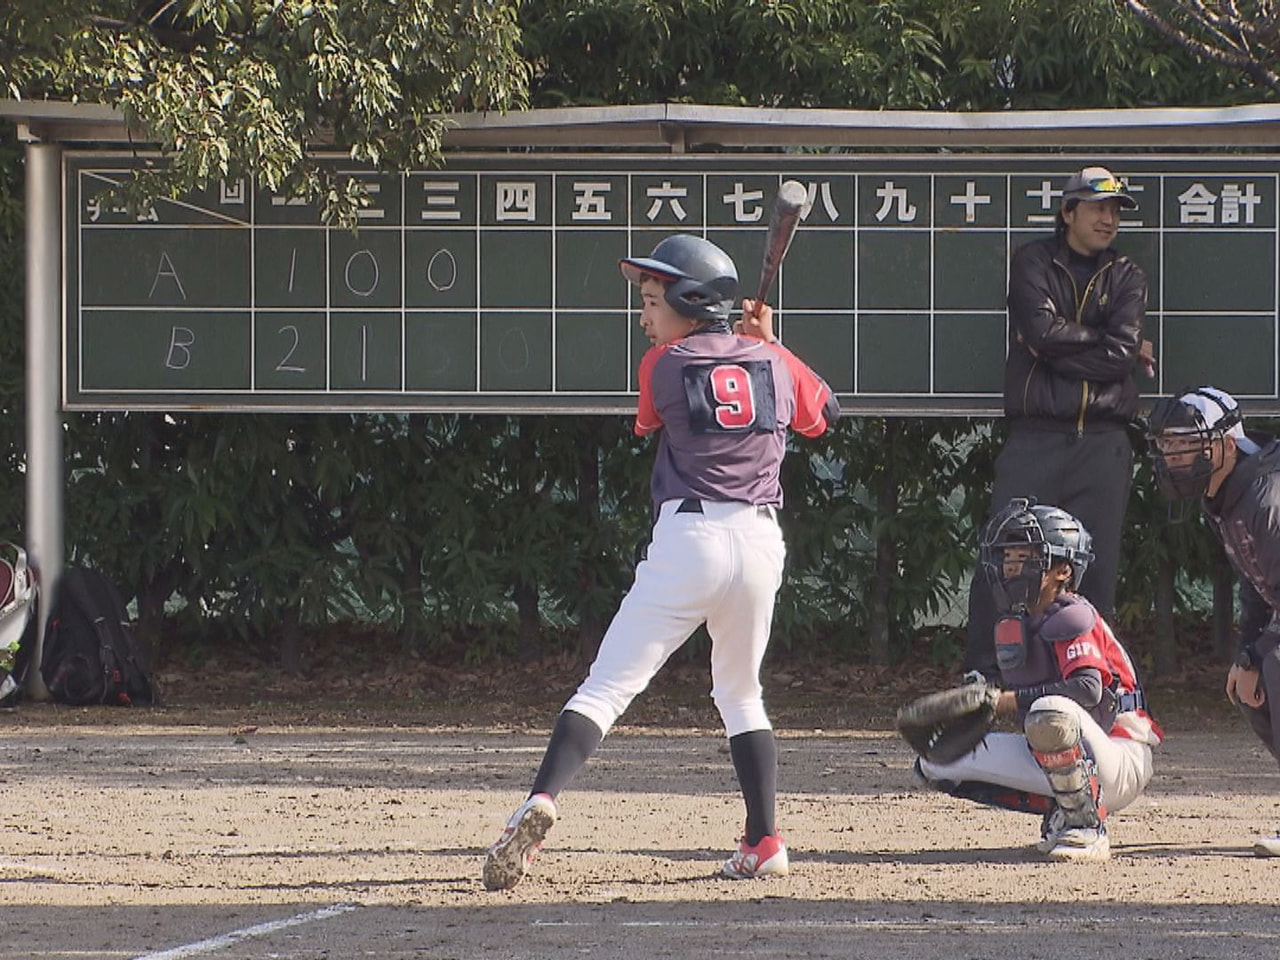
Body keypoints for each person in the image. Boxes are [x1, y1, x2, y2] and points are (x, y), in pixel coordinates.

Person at [482, 233, 840, 890]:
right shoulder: (771, 361)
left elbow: (649, 424)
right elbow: (824, 415)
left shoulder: (663, 366)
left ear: (691, 300)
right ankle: (764, 840)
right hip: (760, 546)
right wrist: (770, 344)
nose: (645, 317)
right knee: (740, 694)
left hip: (691, 539)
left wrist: (746, 346)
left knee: (607, 687)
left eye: (655, 302)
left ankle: (539, 802)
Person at [965, 166, 1155, 680]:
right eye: (1097, 208)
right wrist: (1108, 344)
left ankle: (1087, 679)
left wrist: (1083, 347)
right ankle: (985, 676)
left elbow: (1105, 353)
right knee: (1008, 555)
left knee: (1095, 567)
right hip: (1037, 437)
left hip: (1104, 442)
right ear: (1068, 212)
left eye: (1115, 210)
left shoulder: (1127, 275)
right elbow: (1043, 332)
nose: (1108, 219)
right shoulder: (1033, 261)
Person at [917, 498, 1161, 862]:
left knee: (1050, 711)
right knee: (935, 762)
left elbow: (1087, 690)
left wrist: (1007, 701)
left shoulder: (1073, 615)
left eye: (1025, 557)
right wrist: (977, 699)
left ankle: (1088, 825)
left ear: (1062, 570)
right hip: (1061, 751)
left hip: (1119, 755)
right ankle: (1063, 809)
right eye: (1007, 557)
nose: (1011, 567)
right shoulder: (1019, 622)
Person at [1145, 386, 1280, 856]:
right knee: (1248, 681)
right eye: (1169, 445)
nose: (1176, 457)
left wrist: (1262, 654)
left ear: (1225, 445)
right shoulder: (1225, 494)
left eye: (1188, 444)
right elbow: (1258, 582)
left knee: (1275, 666)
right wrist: (1247, 652)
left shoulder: (1265, 496)